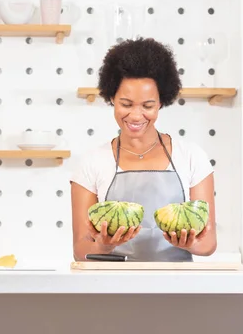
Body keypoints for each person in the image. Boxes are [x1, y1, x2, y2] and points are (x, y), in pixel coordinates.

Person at [70, 37, 217, 262]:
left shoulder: (191, 156)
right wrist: (104, 245)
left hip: (177, 288)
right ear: (111, 98)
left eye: (148, 106)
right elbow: (81, 250)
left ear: (161, 102)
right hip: (115, 289)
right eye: (126, 104)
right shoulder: (92, 162)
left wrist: (193, 243)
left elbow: (209, 243)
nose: (136, 116)